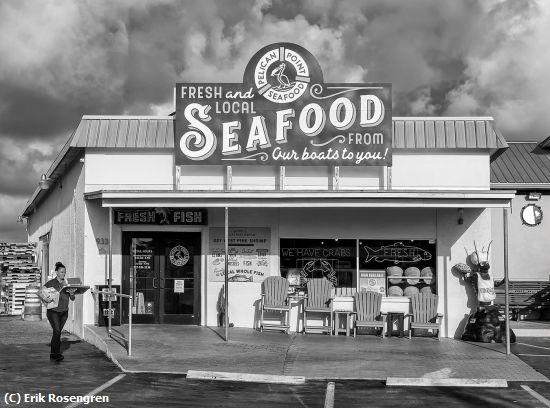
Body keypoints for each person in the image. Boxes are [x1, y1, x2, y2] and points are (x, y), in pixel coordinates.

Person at [41, 262, 76, 362]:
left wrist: (72, 294)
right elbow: (41, 293)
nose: (63, 274)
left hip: (64, 312)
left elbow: (72, 298)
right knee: (57, 331)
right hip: (53, 312)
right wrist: (45, 300)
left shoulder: (66, 283)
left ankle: (53, 353)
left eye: (64, 272)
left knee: (57, 333)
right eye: (61, 272)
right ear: (56, 272)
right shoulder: (51, 283)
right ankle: (57, 354)